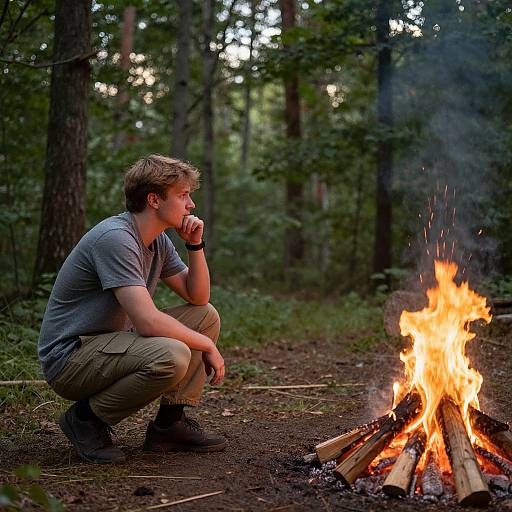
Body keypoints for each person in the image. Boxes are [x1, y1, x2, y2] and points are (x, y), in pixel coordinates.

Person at [37, 154, 226, 464]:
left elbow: (198, 297)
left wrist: (194, 245)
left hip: (109, 345)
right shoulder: (116, 238)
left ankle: (169, 426)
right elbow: (148, 322)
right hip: (71, 358)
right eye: (182, 195)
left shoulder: (158, 242)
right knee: (172, 354)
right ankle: (85, 420)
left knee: (204, 317)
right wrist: (205, 345)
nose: (190, 204)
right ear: (153, 199)